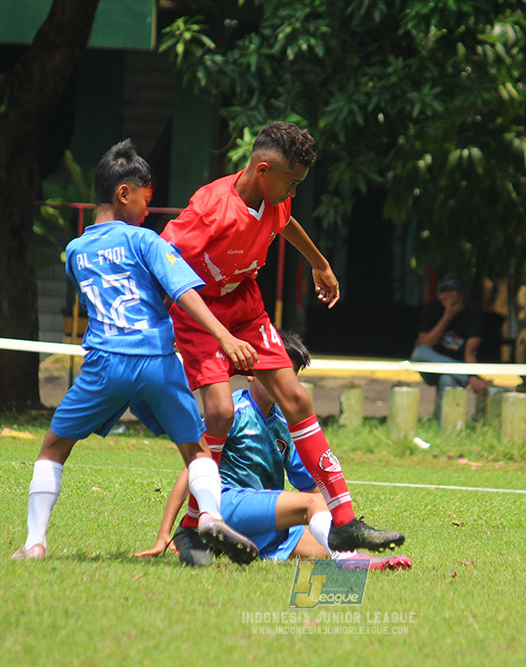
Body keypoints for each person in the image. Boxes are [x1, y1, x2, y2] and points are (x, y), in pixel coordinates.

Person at [11, 139, 260, 563]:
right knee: (196, 448)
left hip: (104, 363)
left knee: (54, 447)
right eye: (146, 200)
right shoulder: (146, 241)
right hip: (157, 363)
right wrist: (224, 336)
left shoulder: (74, 252)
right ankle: (211, 516)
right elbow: (182, 290)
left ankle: (35, 542)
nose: (148, 210)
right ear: (123, 193)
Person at [161, 121, 403, 551]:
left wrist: (320, 263)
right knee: (219, 414)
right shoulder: (209, 208)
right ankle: (195, 524)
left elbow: (285, 222)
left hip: (247, 308)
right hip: (198, 311)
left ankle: (345, 519)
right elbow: (164, 263)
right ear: (264, 170)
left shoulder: (274, 200)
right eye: (291, 183)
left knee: (298, 400)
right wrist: (154, 328)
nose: (292, 193)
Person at [135, 332, 411, 570]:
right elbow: (193, 467)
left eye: (288, 375)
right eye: (274, 371)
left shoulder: (285, 425)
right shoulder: (232, 412)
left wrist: (336, 517)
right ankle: (349, 562)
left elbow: (313, 489)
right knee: (316, 513)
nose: (279, 381)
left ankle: (362, 562)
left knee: (325, 539)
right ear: (254, 371)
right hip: (225, 507)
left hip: (265, 520)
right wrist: (165, 534)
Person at [410, 274, 493, 426]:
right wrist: (447, 317)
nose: (448, 295)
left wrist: (470, 371)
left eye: (452, 290)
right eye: (444, 291)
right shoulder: (432, 310)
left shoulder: (472, 315)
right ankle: (467, 376)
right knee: (418, 352)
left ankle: (446, 432)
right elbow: (425, 344)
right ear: (439, 294)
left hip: (456, 371)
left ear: (460, 293)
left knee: (448, 379)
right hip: (433, 368)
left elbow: (470, 353)